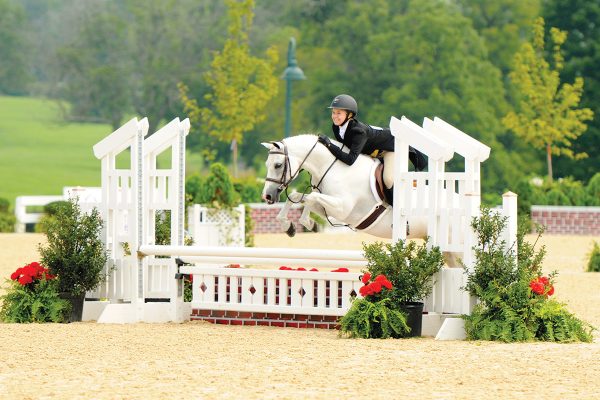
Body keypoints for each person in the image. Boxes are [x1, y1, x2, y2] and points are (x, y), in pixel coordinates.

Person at [318, 94, 426, 193]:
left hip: (391, 148)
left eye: (339, 113)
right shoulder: (336, 127)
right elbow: (345, 148)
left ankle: (398, 203)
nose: (335, 116)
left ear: (350, 115)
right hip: (372, 152)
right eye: (333, 112)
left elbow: (350, 160)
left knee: (388, 180)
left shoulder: (358, 132)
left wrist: (329, 145)